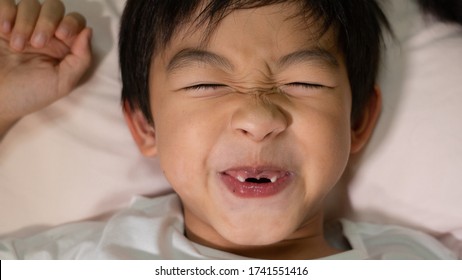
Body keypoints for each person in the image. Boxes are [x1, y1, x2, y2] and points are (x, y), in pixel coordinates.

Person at [0, 0, 455, 259]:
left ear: (357, 120)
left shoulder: (418, 262)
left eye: (303, 83)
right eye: (206, 84)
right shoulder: (82, 261)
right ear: (145, 125)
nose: (257, 120)